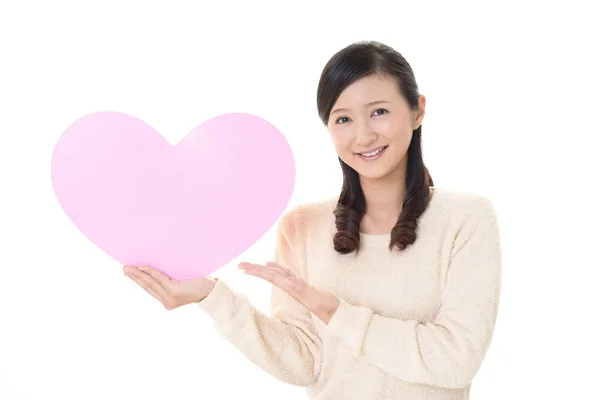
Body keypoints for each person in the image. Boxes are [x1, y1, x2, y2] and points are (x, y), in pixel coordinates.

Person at [123, 40, 502, 399]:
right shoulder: (303, 225)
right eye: (343, 119)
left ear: (417, 110)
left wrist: (332, 311)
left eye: (379, 112)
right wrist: (212, 296)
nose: (364, 135)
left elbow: (456, 360)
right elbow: (305, 363)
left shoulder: (465, 219)